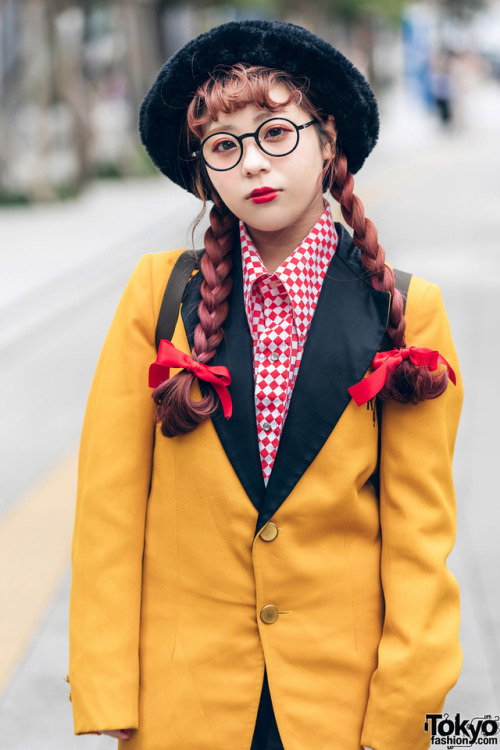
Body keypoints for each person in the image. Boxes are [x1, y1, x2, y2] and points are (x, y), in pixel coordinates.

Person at [68, 19, 463, 750]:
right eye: (225, 145)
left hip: (340, 710)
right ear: (204, 173)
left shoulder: (406, 311)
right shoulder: (156, 295)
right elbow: (109, 514)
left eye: (276, 132)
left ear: (328, 140)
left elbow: (418, 543)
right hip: (184, 704)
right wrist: (108, 686)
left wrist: (404, 715)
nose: (254, 163)